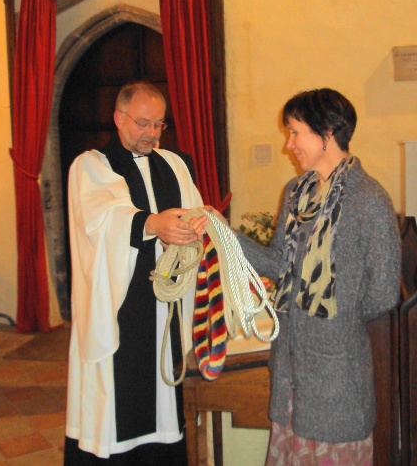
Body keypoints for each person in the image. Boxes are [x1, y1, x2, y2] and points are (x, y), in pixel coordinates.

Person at [226, 88, 400, 464]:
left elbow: (384, 292)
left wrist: (336, 318)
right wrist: (223, 234)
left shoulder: (368, 199)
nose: (289, 144)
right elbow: (276, 263)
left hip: (337, 372)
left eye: (295, 132)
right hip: (291, 366)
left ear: (326, 134)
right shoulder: (295, 193)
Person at [64, 81, 207, 465]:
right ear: (118, 118)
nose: (152, 133)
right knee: (119, 397)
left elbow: (197, 212)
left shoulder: (175, 163)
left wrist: (199, 226)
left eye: (159, 124)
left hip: (167, 308)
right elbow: (106, 217)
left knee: (166, 400)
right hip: (121, 306)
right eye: (143, 123)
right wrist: (153, 224)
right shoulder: (91, 166)